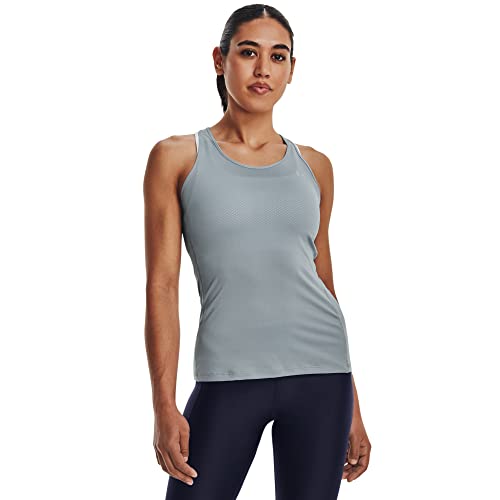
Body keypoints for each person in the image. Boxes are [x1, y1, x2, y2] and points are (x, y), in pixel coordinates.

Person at [143, 4, 371, 499]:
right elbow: (162, 285)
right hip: (228, 377)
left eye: (278, 56)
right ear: (219, 60)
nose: (263, 68)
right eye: (248, 53)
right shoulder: (177, 157)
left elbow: (324, 282)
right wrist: (163, 404)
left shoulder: (315, 166)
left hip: (322, 376)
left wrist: (352, 404)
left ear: (292, 69)